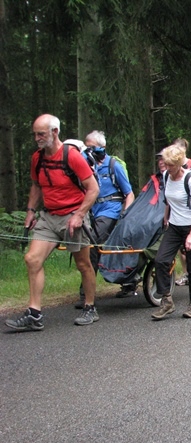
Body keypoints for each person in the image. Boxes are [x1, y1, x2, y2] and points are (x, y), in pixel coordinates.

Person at [6, 114, 100, 331]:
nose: (37, 138)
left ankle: (90, 307)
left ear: (55, 132)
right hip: (49, 216)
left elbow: (93, 189)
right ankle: (34, 313)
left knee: (83, 264)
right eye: (35, 134)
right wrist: (31, 211)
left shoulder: (72, 157)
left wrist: (78, 215)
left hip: (74, 215)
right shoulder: (37, 158)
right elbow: (37, 186)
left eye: (41, 134)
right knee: (32, 259)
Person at [75, 130, 135, 307]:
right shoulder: (85, 165)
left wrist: (126, 215)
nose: (89, 150)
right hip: (92, 212)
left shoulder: (113, 165)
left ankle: (85, 294)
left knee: (92, 246)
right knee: (84, 247)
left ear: (102, 147)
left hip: (110, 211)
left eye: (92, 147)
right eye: (86, 147)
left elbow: (129, 193)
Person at [151, 145, 191, 319]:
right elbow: (168, 200)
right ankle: (167, 301)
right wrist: (166, 217)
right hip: (174, 225)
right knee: (160, 260)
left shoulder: (190, 179)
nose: (166, 167)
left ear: (179, 163)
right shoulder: (166, 176)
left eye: (170, 165)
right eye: (165, 164)